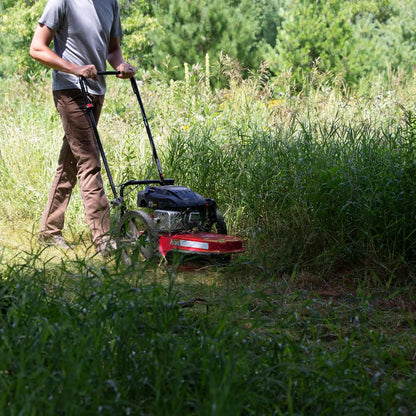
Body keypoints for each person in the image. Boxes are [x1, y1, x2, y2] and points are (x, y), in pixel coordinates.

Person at [30, 0, 136, 256]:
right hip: (69, 90)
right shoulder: (62, 1)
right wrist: (75, 69)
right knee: (89, 161)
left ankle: (49, 231)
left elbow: (112, 49)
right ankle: (105, 239)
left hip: (96, 89)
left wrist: (120, 65)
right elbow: (37, 48)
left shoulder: (110, 2)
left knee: (71, 162)